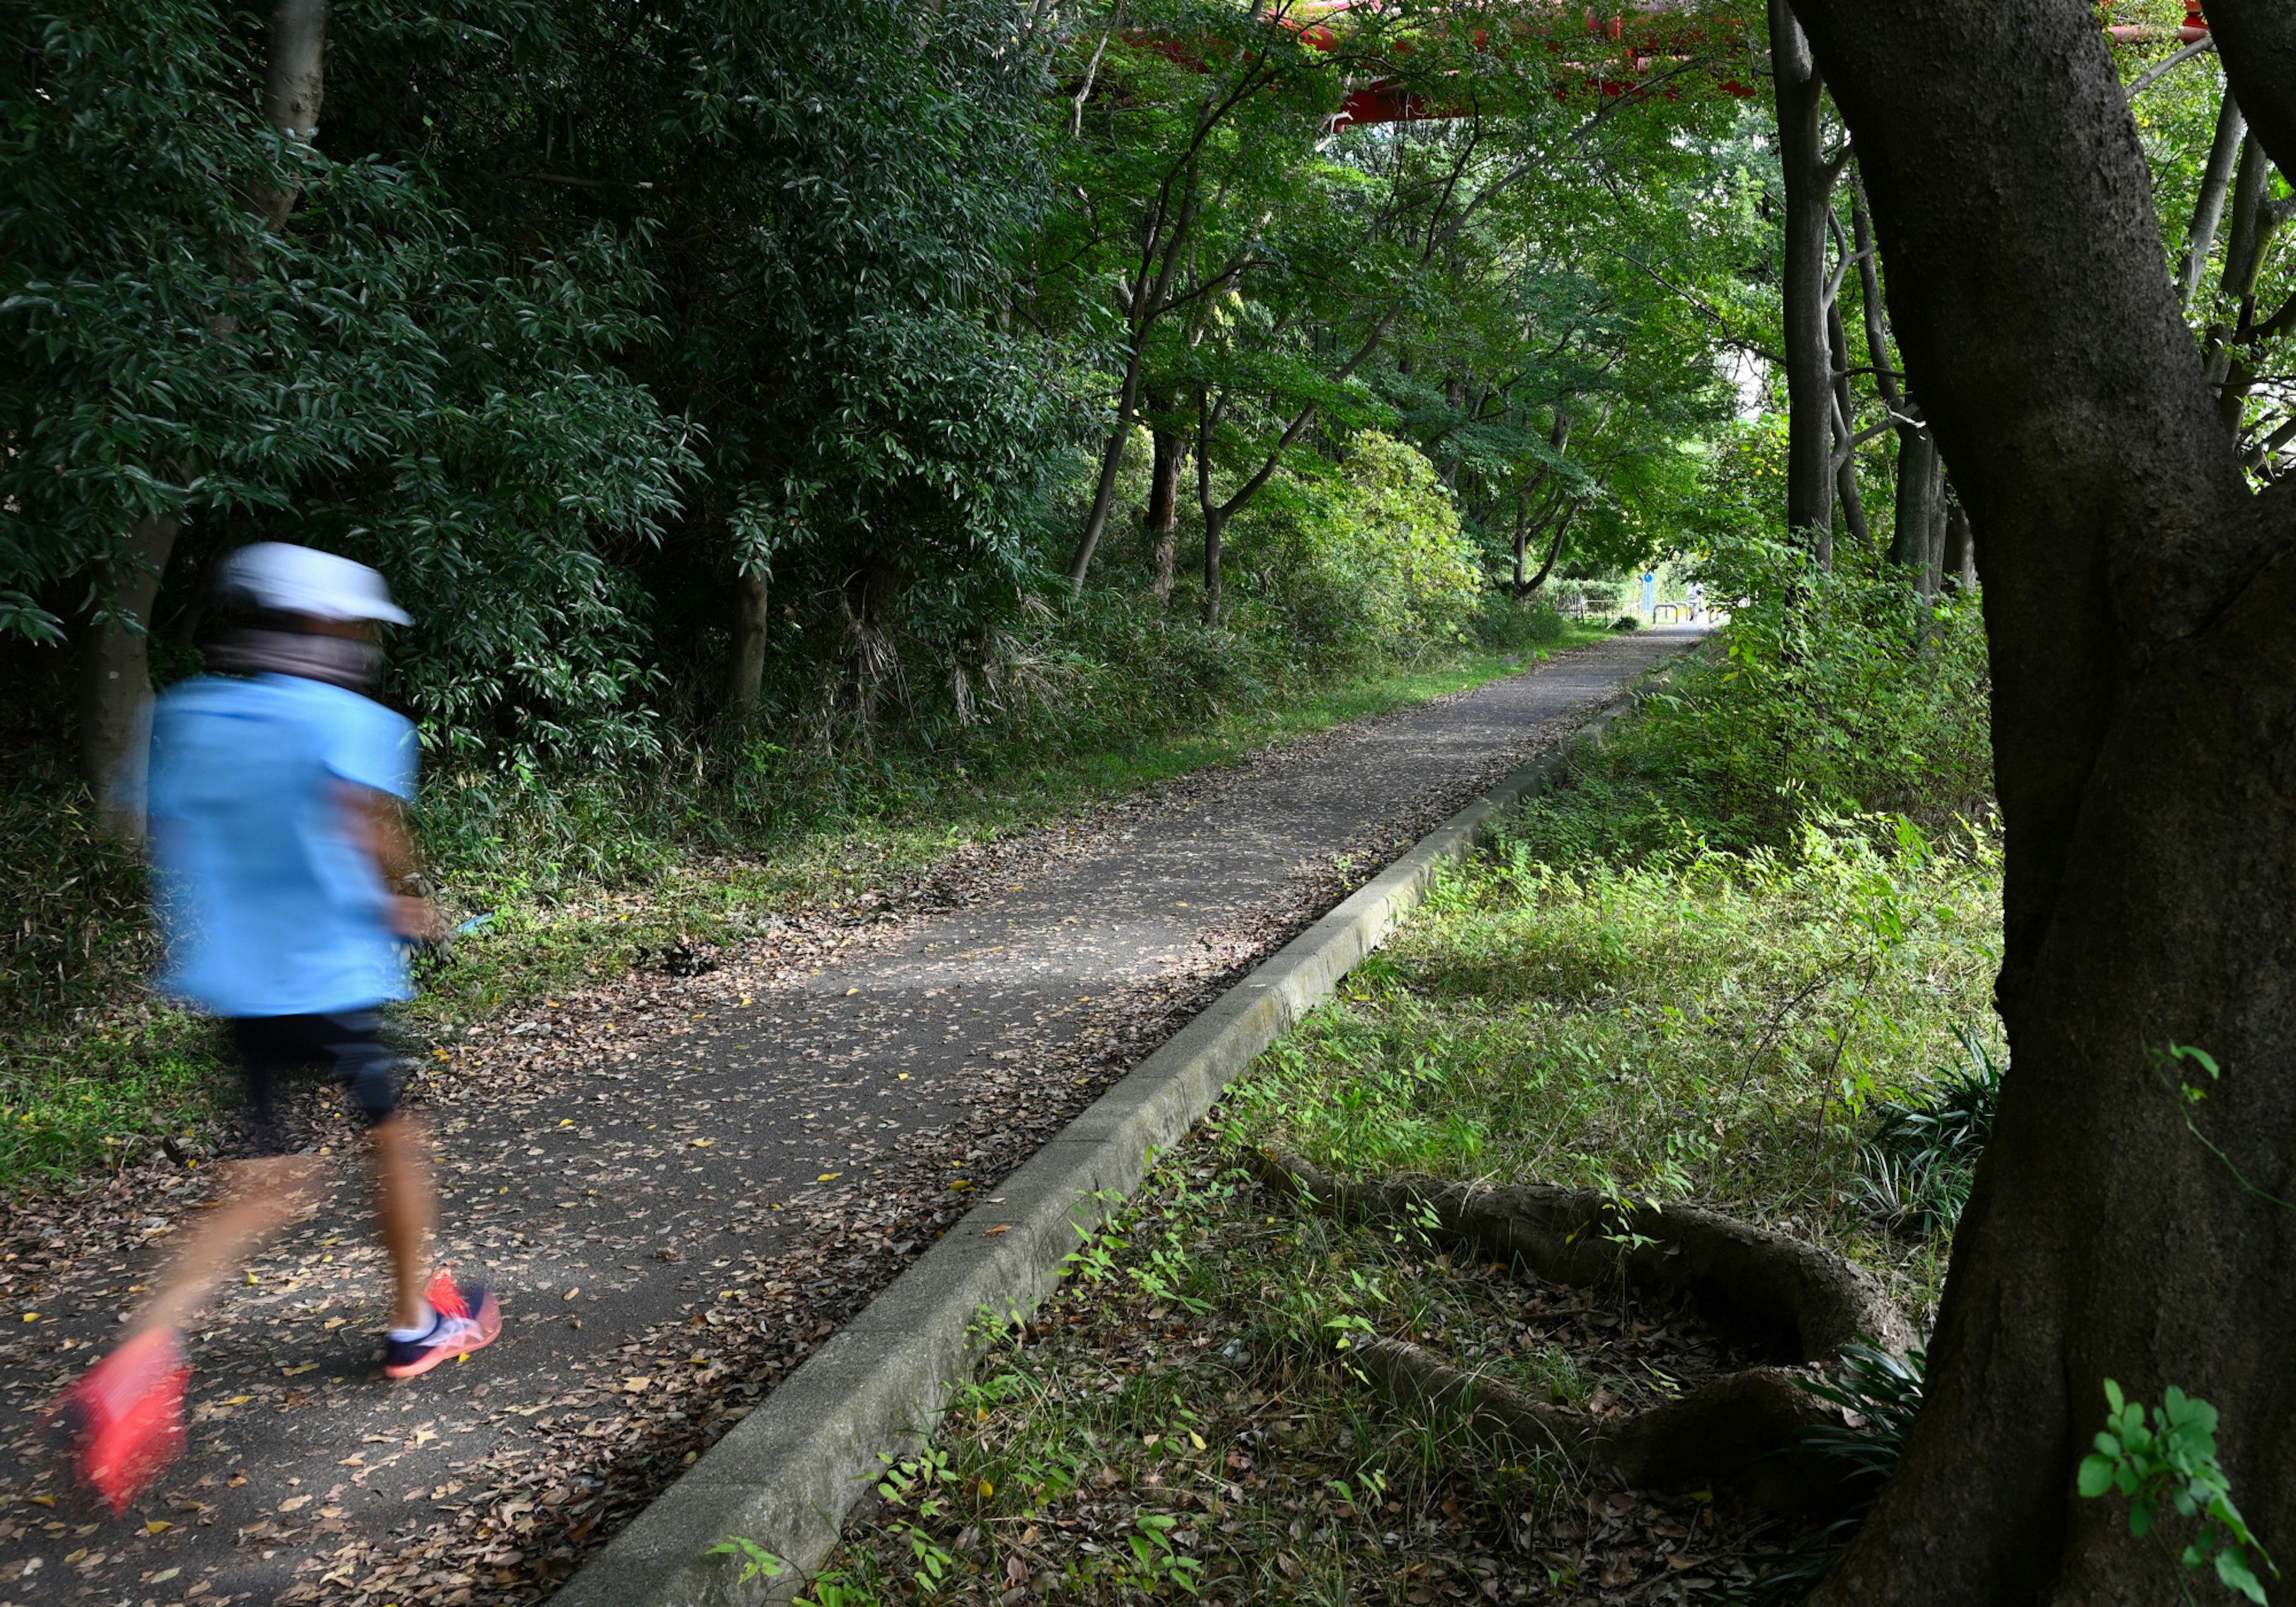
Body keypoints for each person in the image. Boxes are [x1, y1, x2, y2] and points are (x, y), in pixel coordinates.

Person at [54, 543, 499, 1514]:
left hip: (238, 986)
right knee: (397, 1142)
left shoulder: (182, 716)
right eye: (353, 627)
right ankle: (415, 1324)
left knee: (265, 1185)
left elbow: (155, 837)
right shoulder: (353, 723)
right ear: (325, 627)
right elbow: (364, 832)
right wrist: (405, 906)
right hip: (331, 979)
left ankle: (135, 1358)